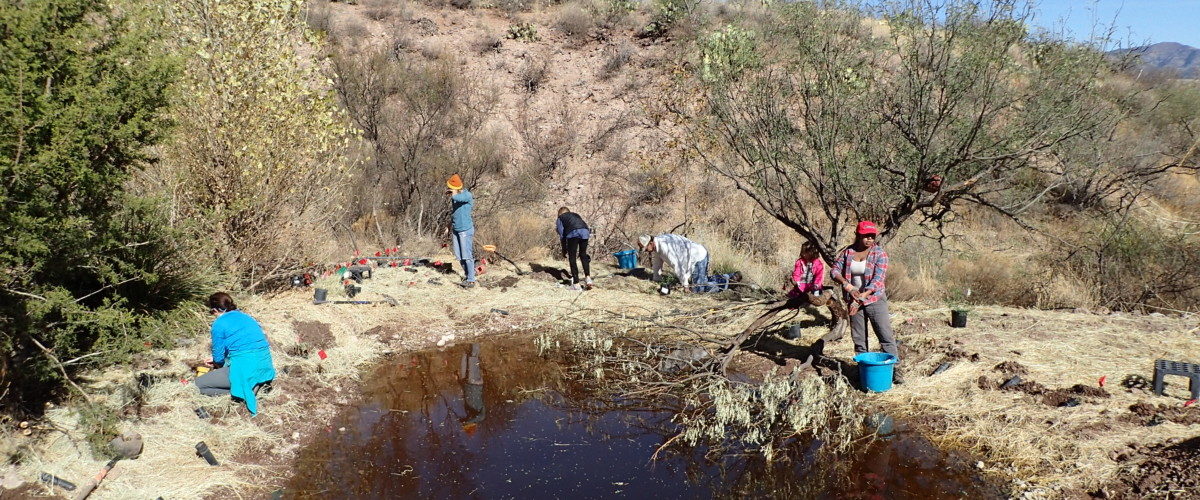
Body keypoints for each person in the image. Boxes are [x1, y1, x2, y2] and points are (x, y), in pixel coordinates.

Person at [830, 221, 902, 384]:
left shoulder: (880, 254)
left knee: (885, 336)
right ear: (858, 235)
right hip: (853, 299)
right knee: (859, 339)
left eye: (872, 236)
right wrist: (847, 285)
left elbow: (877, 281)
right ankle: (863, 370)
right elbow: (834, 270)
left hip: (874, 300)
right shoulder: (848, 252)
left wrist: (860, 299)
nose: (869, 239)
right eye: (865, 236)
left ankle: (895, 370)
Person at [195, 292, 277, 414]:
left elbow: (218, 356)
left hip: (245, 367)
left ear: (216, 310)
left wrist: (218, 364)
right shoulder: (246, 317)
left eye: (212, 312)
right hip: (264, 365)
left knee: (197, 386)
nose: (213, 315)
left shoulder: (218, 324)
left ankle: (243, 391)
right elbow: (246, 345)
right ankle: (255, 384)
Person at [638, 234, 709, 292]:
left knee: (699, 289)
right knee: (701, 283)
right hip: (690, 257)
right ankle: (711, 280)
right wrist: (656, 279)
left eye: (646, 248)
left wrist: (685, 286)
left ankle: (719, 283)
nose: (646, 251)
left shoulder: (665, 248)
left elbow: (678, 266)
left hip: (698, 256)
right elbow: (657, 263)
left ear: (651, 243)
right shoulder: (657, 245)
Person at [446, 174, 476, 288]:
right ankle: (468, 275)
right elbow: (454, 213)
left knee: (467, 255)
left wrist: (453, 191)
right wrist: (449, 226)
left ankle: (471, 280)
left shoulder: (466, 195)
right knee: (459, 256)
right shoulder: (457, 196)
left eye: (451, 187)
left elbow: (456, 198)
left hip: (465, 230)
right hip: (456, 229)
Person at [556, 207, 592, 286]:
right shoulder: (576, 215)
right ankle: (588, 278)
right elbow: (581, 224)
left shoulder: (560, 218)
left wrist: (564, 249)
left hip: (573, 233)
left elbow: (562, 235)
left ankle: (576, 284)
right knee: (583, 254)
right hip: (585, 231)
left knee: (572, 257)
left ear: (560, 213)